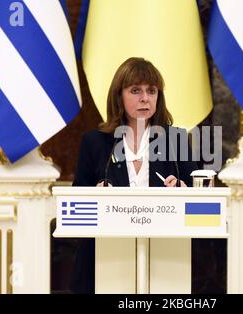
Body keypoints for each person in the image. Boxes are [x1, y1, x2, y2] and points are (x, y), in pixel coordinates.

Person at [70, 57, 198, 293]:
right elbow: (75, 208)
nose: (145, 98)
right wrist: (94, 196)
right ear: (119, 96)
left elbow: (200, 200)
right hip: (105, 263)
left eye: (152, 91)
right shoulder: (95, 143)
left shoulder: (177, 139)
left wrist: (182, 189)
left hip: (166, 261)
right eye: (135, 90)